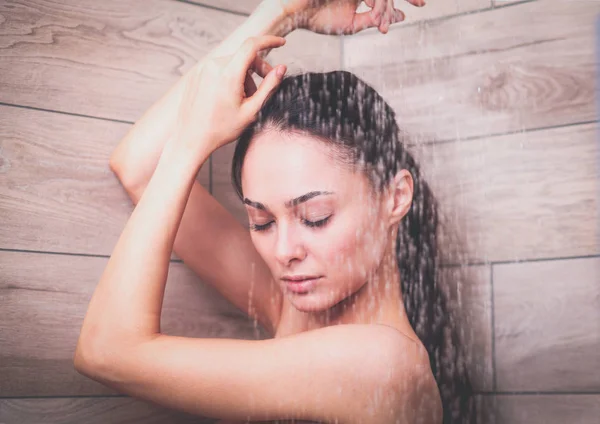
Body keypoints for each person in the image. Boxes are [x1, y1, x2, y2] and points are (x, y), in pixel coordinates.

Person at [74, 0, 476, 423]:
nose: (283, 251)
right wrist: (284, 14)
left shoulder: (383, 366)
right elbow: (138, 166)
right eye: (261, 222)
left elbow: (107, 352)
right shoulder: (293, 308)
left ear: (396, 197)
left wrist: (192, 143)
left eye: (316, 217)